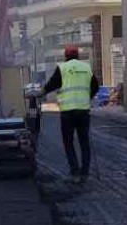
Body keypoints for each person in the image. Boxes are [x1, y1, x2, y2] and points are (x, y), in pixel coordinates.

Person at [42, 46, 100, 181]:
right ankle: (84, 173)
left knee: (68, 142)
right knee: (84, 142)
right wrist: (88, 97)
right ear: (78, 56)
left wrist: (41, 93)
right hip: (83, 111)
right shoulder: (86, 68)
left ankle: (74, 172)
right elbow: (95, 87)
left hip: (67, 112)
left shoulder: (62, 68)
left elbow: (51, 85)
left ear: (65, 56)